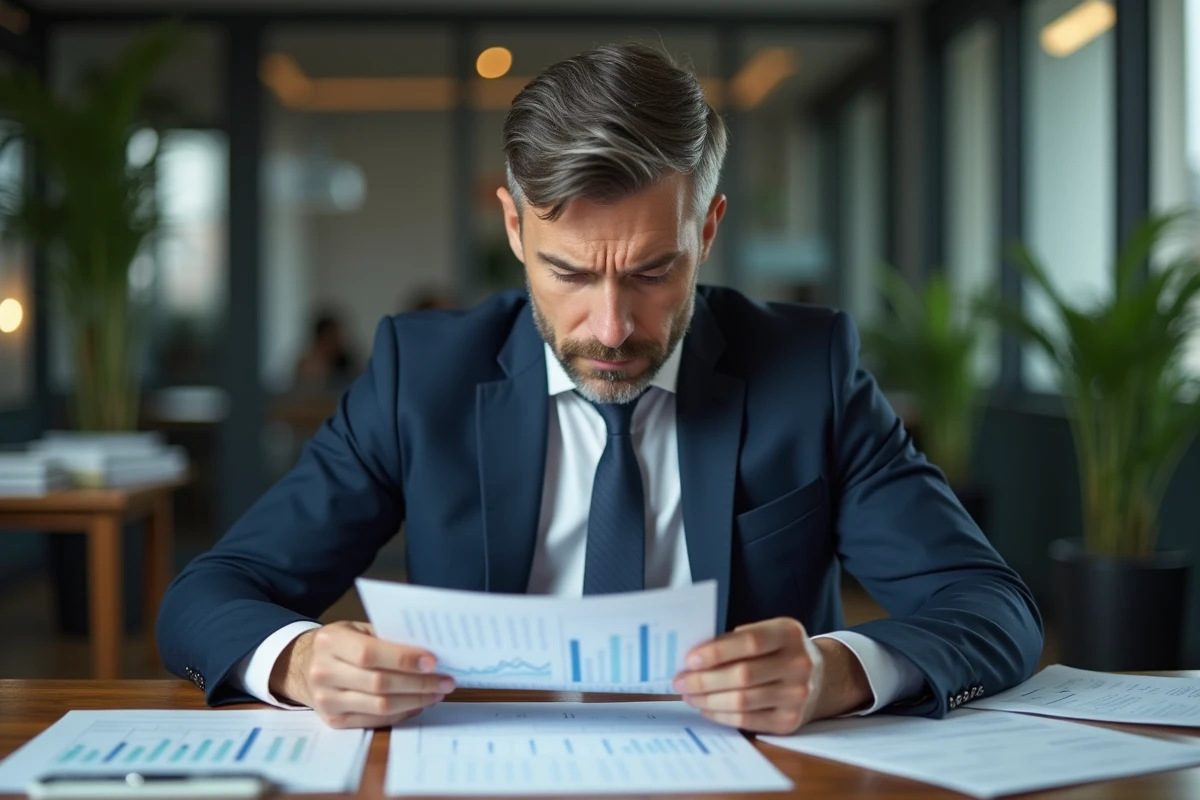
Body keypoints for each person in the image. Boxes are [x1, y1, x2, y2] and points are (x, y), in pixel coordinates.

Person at [158, 43, 1041, 735]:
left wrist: (838, 672)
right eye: (570, 273)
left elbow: (991, 606)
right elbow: (210, 595)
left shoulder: (807, 371)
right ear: (513, 224)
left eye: (655, 271)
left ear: (710, 226)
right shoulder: (417, 378)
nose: (612, 327)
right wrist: (302, 659)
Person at [293, 312, 359, 389]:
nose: (338, 341)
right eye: (332, 337)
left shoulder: (346, 361)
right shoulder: (308, 365)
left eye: (338, 336)